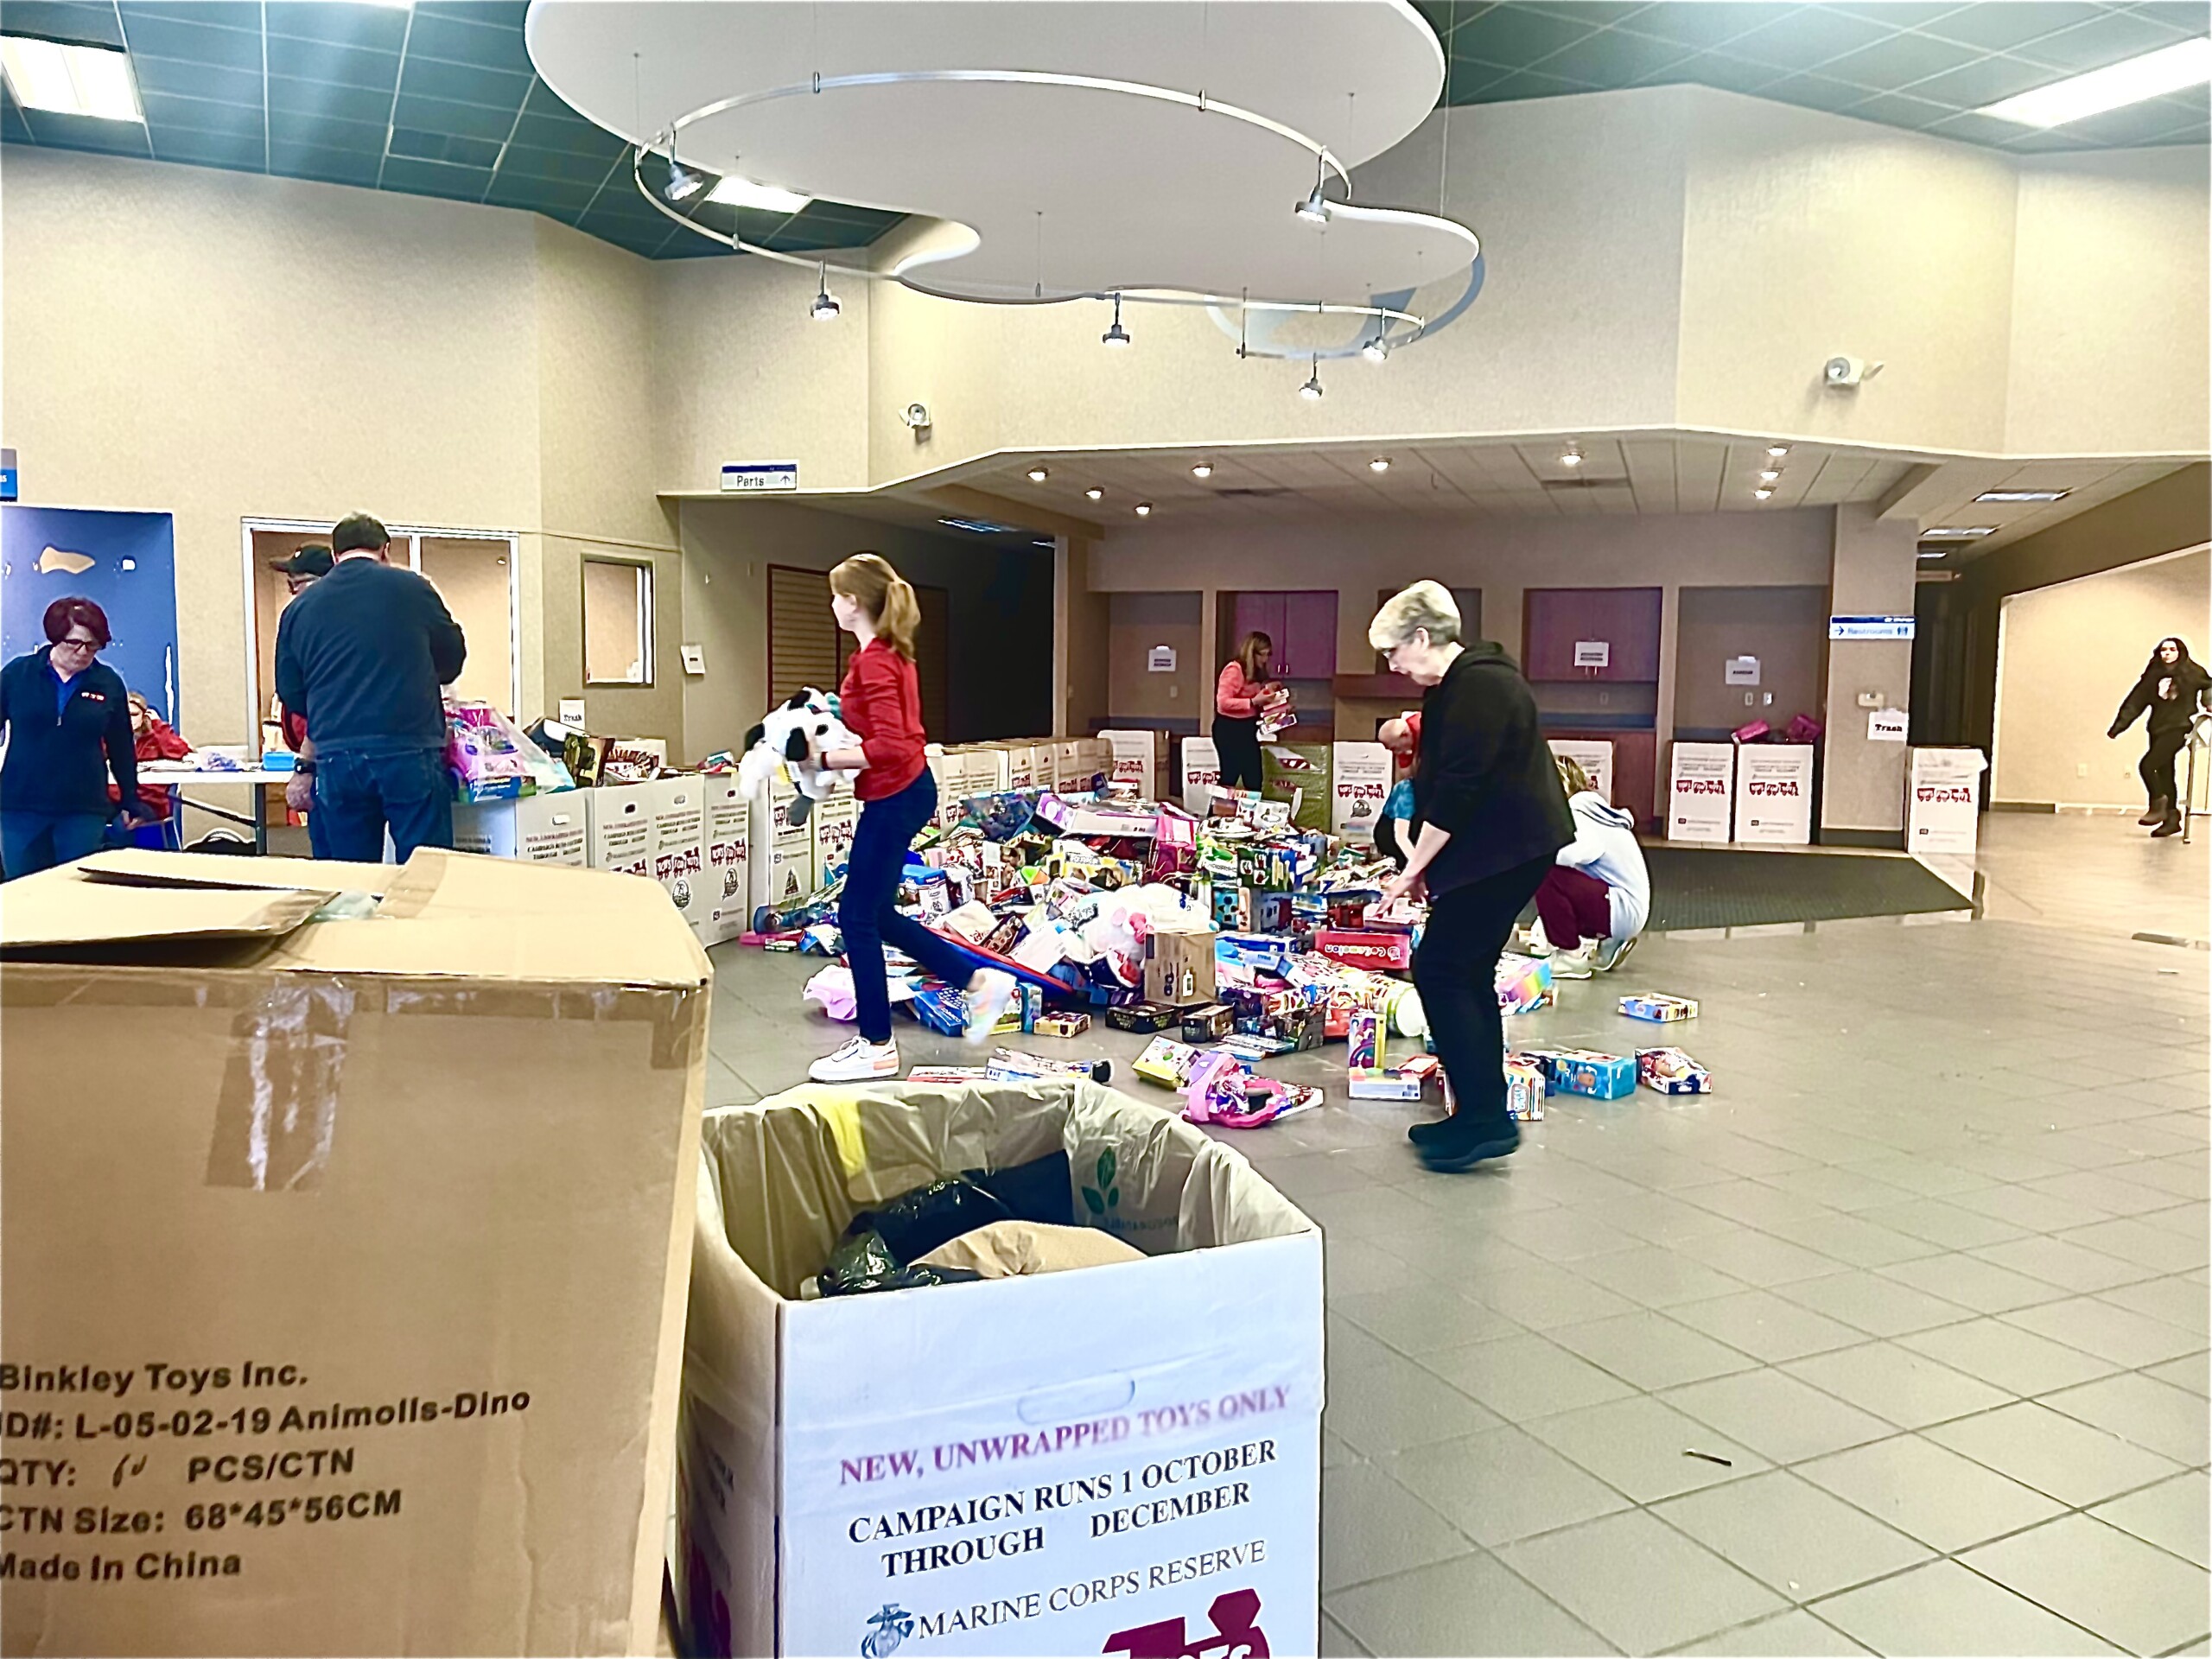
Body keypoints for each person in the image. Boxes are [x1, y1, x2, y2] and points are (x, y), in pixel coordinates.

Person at [1372, 582, 1572, 1173]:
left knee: (1442, 967)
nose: (1392, 664)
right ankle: (1481, 1114)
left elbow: (1460, 793)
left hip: (1505, 850)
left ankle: (1485, 1118)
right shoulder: (1461, 687)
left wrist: (1412, 870)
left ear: (1422, 637)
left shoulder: (1481, 686)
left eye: (1394, 651)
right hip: (1498, 850)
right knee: (1462, 970)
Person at [808, 552, 1015, 1083]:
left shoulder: (875, 660)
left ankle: (876, 1042)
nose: (831, 604)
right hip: (906, 790)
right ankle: (978, 981)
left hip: (896, 792)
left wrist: (821, 760)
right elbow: (888, 728)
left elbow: (890, 746)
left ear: (853, 603)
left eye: (837, 595)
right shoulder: (891, 655)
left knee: (855, 915)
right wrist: (837, 714)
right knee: (875, 914)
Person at [274, 513, 466, 862]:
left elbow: (291, 690)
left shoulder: (299, 609)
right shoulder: (413, 589)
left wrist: (330, 704)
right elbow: (452, 658)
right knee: (425, 872)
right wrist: (417, 679)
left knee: (351, 877)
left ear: (335, 556)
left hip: (337, 754)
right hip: (409, 747)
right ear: (385, 550)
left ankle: (359, 917)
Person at [0, 597, 152, 877]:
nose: (83, 652)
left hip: (83, 809)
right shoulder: (17, 675)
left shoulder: (108, 682)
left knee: (76, 892)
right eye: (75, 643)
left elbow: (121, 747)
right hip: (20, 808)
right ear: (56, 638)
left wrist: (130, 797)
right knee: (21, 892)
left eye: (93, 646)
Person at [1529, 755, 1649, 977]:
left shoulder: (1578, 811)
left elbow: (1584, 850)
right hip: (1627, 909)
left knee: (1546, 871)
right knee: (1560, 876)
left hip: (1621, 908)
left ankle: (1571, 957)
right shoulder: (1592, 810)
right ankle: (1608, 942)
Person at [2109, 637, 2210, 839]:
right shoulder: (2153, 676)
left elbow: (2209, 686)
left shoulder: (2193, 672)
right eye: (2163, 650)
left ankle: (2157, 803)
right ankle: (2171, 820)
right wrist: (2119, 726)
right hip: (2157, 727)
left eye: (2172, 649)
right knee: (2165, 772)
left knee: (2147, 765)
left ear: (2180, 652)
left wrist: (2209, 703)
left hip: (2180, 727)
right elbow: (2135, 701)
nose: (2167, 653)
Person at [271, 545, 334, 856]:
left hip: (329, 758)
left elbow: (323, 706)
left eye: (299, 583)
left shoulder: (327, 629)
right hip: (323, 754)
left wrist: (305, 767)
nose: (293, 592)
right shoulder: (304, 622)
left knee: (337, 860)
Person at [105, 691, 194, 844]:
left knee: (122, 825)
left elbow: (182, 752)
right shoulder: (108, 737)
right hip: (115, 799)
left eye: (133, 714)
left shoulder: (155, 737)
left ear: (144, 716)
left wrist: (159, 726)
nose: (128, 719)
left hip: (150, 801)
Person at [1213, 632, 1284, 792]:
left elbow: (1255, 698)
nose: (1265, 660)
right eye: (1262, 655)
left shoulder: (1256, 673)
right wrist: (1252, 702)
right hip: (1229, 728)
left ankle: (1251, 815)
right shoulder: (1234, 670)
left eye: (1268, 655)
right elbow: (1223, 702)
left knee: (1254, 777)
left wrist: (1270, 694)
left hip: (1247, 728)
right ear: (1252, 654)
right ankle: (1217, 814)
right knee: (1229, 777)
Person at [1375, 712, 1421, 868]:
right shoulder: (1407, 790)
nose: (1396, 754)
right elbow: (1401, 837)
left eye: (1395, 748)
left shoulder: (1424, 728)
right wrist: (1418, 869)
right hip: (1390, 837)